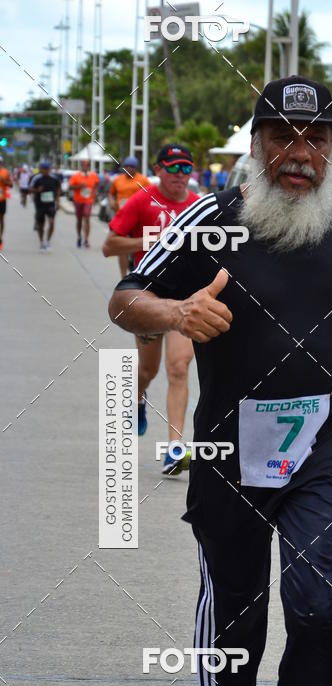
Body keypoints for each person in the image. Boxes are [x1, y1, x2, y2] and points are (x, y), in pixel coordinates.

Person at [108, 76, 332, 686]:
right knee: (238, 608)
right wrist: (175, 313)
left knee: (317, 600)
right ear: (257, 143)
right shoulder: (211, 221)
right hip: (229, 452)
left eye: (316, 140)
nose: (300, 155)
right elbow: (124, 296)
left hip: (322, 450)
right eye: (283, 138)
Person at [103, 144, 199, 474]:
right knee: (149, 370)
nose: (180, 175)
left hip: (183, 299)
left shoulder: (197, 206)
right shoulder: (142, 201)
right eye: (173, 168)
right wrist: (149, 242)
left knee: (178, 367)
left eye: (186, 168)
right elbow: (109, 245)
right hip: (148, 298)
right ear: (158, 169)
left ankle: (175, 447)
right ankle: (139, 396)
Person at [108, 155, 151, 278]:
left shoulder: (143, 180)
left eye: (131, 167)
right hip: (122, 219)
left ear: (135, 168)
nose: (128, 169)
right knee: (122, 248)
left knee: (137, 247)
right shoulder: (117, 180)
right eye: (126, 166)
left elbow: (151, 196)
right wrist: (111, 201)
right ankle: (123, 276)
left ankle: (136, 274)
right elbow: (111, 194)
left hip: (138, 220)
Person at [28, 161, 60, 251]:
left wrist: (58, 201)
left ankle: (48, 241)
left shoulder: (54, 178)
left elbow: (58, 189)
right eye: (44, 169)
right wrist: (37, 190)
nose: (46, 171)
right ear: (41, 169)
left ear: (50, 169)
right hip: (40, 204)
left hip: (50, 204)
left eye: (47, 169)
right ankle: (41, 241)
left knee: (52, 222)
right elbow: (29, 189)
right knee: (41, 225)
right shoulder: (36, 178)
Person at [69, 159, 100, 247]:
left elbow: (97, 185)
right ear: (81, 166)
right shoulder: (76, 176)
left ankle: (86, 239)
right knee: (79, 220)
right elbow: (70, 187)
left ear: (89, 166)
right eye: (83, 165)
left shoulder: (93, 175)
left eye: (87, 165)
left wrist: (96, 194)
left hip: (88, 200)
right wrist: (79, 186)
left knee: (87, 217)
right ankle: (79, 237)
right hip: (78, 200)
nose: (85, 167)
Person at [0, 156, 13, 251]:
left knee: (1, 220)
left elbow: (11, 184)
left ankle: (0, 239)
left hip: (1, 199)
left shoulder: (5, 172)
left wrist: (3, 181)